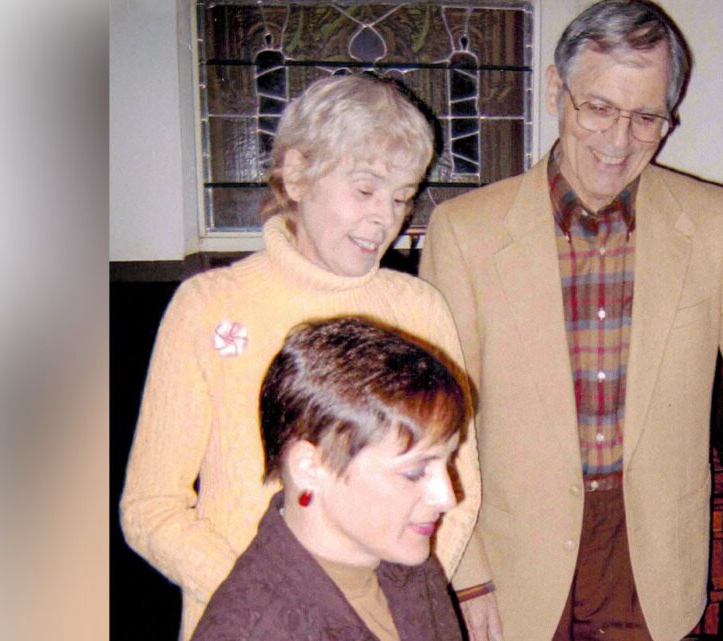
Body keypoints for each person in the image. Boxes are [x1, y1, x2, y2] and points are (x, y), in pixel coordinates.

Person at [419, 1, 723, 640]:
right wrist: (467, 570)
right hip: (512, 559)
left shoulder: (716, 222)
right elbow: (437, 420)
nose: (618, 142)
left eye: (646, 116)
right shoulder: (465, 233)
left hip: (649, 558)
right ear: (554, 92)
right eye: (598, 107)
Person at [120, 74, 480, 640]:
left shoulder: (419, 308)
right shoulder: (209, 305)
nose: (385, 218)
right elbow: (150, 507)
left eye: (401, 197)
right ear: (297, 174)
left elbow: (457, 490)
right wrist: (270, 603)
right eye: (365, 190)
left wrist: (399, 604)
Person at [191, 316, 467, 641]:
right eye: (414, 472)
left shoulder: (406, 560)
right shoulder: (253, 629)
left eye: (447, 461)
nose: (447, 497)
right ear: (311, 467)